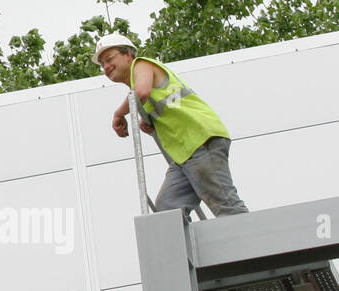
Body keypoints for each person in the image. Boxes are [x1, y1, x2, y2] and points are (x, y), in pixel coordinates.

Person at [94, 33, 248, 217]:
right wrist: (149, 121)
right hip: (183, 153)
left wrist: (119, 113)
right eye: (102, 64)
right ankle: (175, 244)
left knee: (226, 205)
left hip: (199, 140)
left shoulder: (141, 65)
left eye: (109, 59)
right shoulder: (139, 83)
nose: (106, 66)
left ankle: (258, 243)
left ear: (128, 55)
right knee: (166, 213)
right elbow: (164, 103)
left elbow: (141, 92)